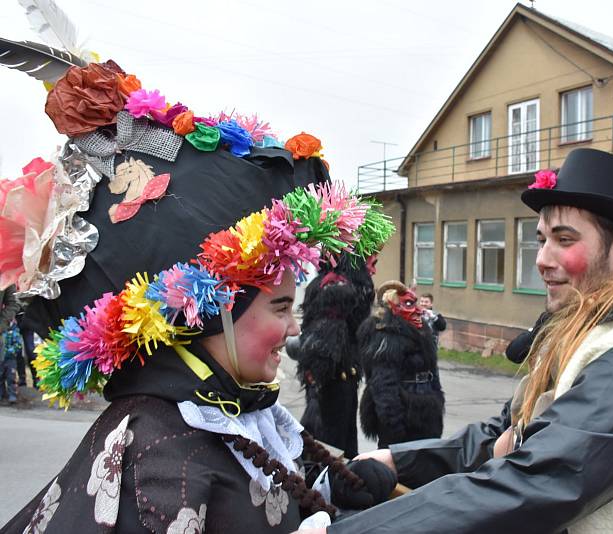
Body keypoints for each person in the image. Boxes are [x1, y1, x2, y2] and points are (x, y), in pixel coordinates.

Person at [0, 59, 396, 533]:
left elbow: (281, 483)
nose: (294, 328)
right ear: (210, 311)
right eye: (280, 306)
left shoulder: (228, 406)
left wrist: (351, 483)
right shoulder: (159, 459)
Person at [318, 149, 613, 533]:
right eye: (541, 239)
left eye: (565, 240)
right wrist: (398, 460)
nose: (542, 260)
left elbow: (540, 478)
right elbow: (510, 433)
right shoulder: (589, 326)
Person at [289, 253, 378, 458]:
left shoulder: (344, 285)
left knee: (340, 443)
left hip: (342, 377)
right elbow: (324, 336)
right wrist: (319, 377)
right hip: (331, 380)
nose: (373, 270)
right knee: (329, 445)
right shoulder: (337, 287)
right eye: (371, 264)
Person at [359, 280, 445, 448]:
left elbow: (432, 371)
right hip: (403, 416)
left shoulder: (422, 333)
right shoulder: (386, 338)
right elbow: (383, 386)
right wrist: (394, 426)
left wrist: (437, 399)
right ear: (394, 307)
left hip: (427, 412)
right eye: (408, 304)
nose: (418, 310)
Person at [0, 320, 23, 405]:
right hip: (1, 359)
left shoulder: (15, 332)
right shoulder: (2, 332)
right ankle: (1, 394)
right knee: (0, 376)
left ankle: (12, 395)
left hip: (11, 359)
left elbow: (18, 345)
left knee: (11, 377)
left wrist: (9, 351)